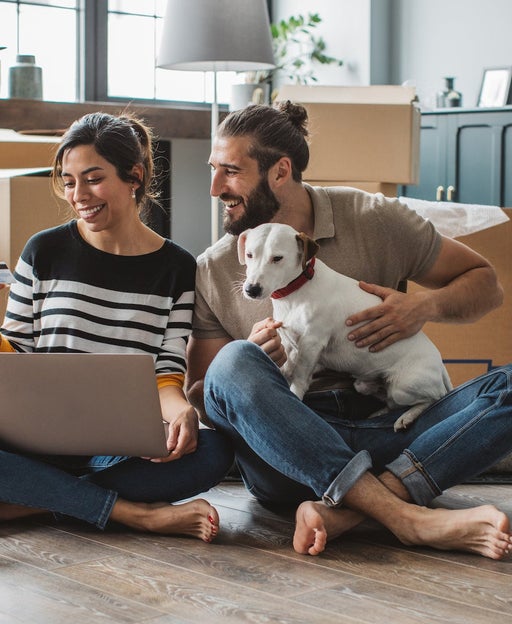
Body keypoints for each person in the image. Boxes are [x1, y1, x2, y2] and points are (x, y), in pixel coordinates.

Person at [186, 101, 512, 560]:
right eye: (213, 169)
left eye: (231, 171)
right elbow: (202, 393)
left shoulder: (373, 217)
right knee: (233, 363)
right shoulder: (216, 267)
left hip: (392, 427)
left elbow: (487, 285)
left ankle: (349, 510)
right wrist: (253, 367)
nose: (216, 187)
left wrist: (423, 307)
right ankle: (407, 516)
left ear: (281, 171)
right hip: (291, 452)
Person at [0, 112, 233, 541]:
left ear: (134, 176)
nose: (78, 195)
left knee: (214, 451)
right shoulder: (43, 251)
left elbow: (166, 371)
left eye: (92, 178)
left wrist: (180, 409)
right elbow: (14, 352)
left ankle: (30, 503)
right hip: (32, 439)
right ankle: (133, 514)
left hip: (114, 450)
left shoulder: (177, 268)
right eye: (69, 181)